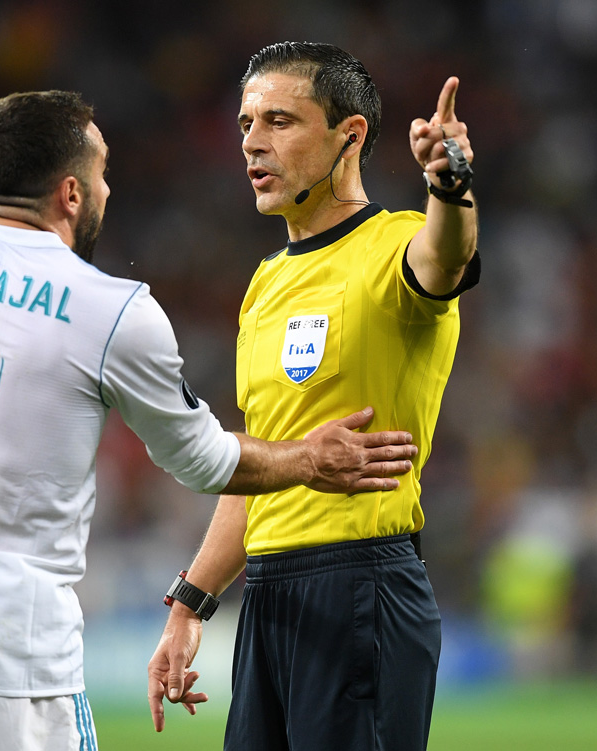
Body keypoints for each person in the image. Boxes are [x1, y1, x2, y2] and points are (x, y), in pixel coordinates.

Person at [0, 89, 418, 751]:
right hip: (10, 657)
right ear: (70, 193)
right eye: (102, 174)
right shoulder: (110, 309)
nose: (107, 190)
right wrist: (309, 459)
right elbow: (204, 462)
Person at [147, 42, 480, 751]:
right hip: (269, 596)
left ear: (349, 134)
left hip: (362, 586)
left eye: (279, 121)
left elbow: (445, 256)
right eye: (244, 124)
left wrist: (450, 185)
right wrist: (191, 601)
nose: (252, 144)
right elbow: (258, 464)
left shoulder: (395, 244)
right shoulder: (265, 283)